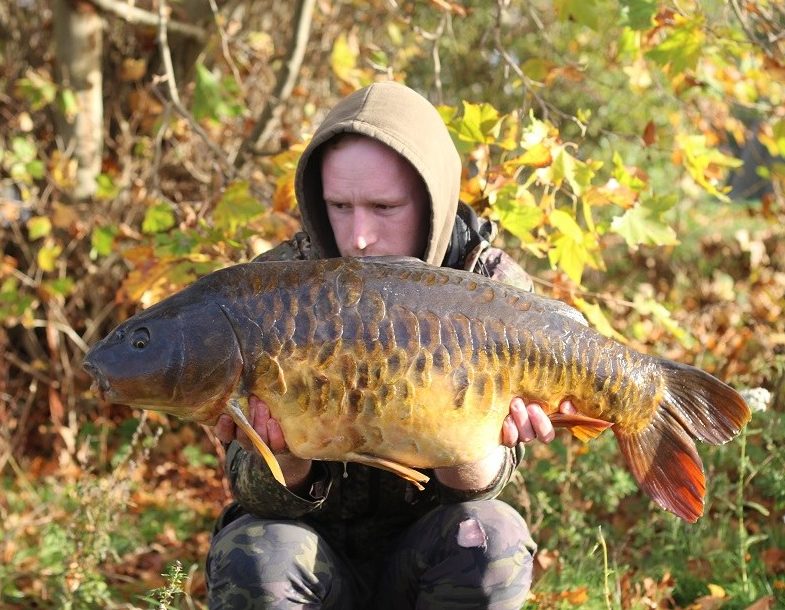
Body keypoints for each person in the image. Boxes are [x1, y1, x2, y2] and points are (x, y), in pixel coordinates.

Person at [206, 81, 575, 609]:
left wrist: (481, 445)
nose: (358, 236)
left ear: (430, 203)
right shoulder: (275, 289)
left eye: (384, 207)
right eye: (339, 205)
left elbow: (480, 492)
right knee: (259, 552)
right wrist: (281, 457)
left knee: (491, 537)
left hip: (428, 554)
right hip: (313, 552)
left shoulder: (491, 290)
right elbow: (254, 494)